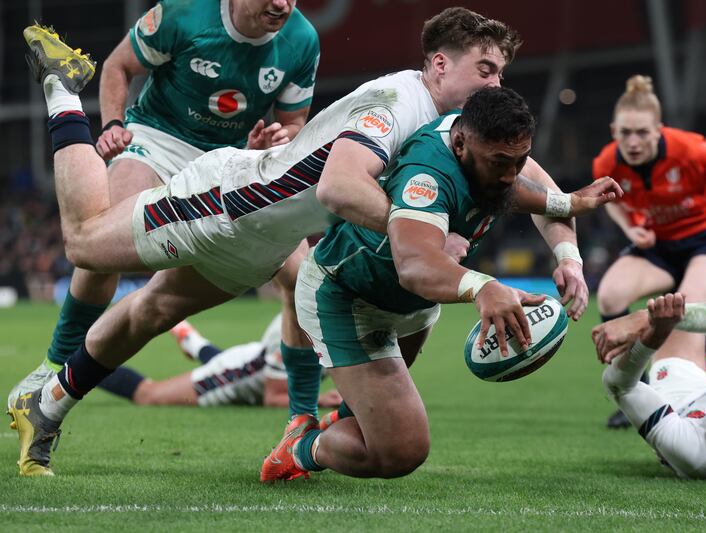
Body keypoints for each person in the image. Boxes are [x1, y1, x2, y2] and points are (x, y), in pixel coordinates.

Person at [9, 12, 618, 477]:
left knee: (155, 310)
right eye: (485, 70)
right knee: (85, 243)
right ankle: (64, 91)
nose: (495, 83)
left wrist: (569, 258)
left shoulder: (461, 130)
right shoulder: (397, 102)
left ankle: (49, 406)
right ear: (438, 65)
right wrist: (419, 231)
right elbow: (340, 186)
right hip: (231, 204)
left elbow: (541, 189)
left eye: (501, 74)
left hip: (266, 239)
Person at [260, 86, 623, 483]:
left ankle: (339, 420)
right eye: (501, 162)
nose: (509, 174)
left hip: (410, 301)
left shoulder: (485, 146)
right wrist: (484, 286)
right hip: (348, 293)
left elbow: (518, 189)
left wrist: (567, 207)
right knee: (400, 451)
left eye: (519, 161)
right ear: (461, 143)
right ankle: (300, 447)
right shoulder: (427, 176)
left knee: (368, 415)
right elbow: (415, 265)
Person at [8, 0, 320, 411]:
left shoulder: (302, 39)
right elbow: (119, 66)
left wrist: (280, 138)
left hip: (235, 160)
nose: (282, 4)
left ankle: (301, 420)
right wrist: (115, 124)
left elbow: (295, 123)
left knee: (305, 281)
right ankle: (55, 365)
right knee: (99, 244)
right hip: (159, 140)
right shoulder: (185, 12)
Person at [593, 75, 706, 428]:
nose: (634, 141)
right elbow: (609, 201)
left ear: (659, 129)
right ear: (614, 131)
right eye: (625, 132)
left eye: (642, 132)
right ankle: (636, 392)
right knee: (610, 295)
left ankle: (697, 398)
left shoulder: (690, 149)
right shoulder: (607, 162)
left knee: (687, 306)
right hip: (661, 246)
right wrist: (630, 228)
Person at [593, 293, 706, 479]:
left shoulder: (695, 453)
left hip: (681, 394)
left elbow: (620, 387)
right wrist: (643, 318)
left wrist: (654, 334)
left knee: (689, 292)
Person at [97, 315, 341, 409]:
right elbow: (272, 396)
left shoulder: (341, 317)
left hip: (252, 361)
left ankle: (190, 340)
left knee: (227, 361)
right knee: (149, 395)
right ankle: (75, 367)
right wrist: (321, 399)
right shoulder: (297, 324)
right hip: (234, 376)